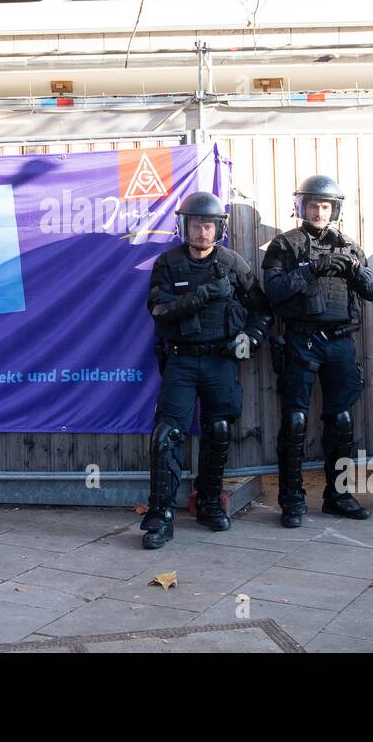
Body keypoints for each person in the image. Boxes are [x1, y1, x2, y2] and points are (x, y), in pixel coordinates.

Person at [141, 191, 273, 549]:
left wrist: (251, 338)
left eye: (209, 225)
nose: (203, 231)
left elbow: (262, 310)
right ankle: (161, 515)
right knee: (167, 433)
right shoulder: (168, 264)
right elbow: (159, 311)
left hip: (220, 360)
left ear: (219, 228)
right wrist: (203, 295)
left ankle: (209, 502)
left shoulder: (233, 264)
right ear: (185, 226)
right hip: (182, 360)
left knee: (219, 429)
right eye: (197, 224)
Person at [262, 174, 373, 527]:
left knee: (342, 420)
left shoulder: (348, 244)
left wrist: (355, 270)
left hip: (340, 342)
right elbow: (274, 291)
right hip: (301, 341)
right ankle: (291, 499)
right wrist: (310, 270)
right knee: (295, 421)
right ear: (301, 206)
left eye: (325, 206)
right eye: (313, 205)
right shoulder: (285, 246)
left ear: (335, 209)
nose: (319, 211)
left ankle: (338, 495)